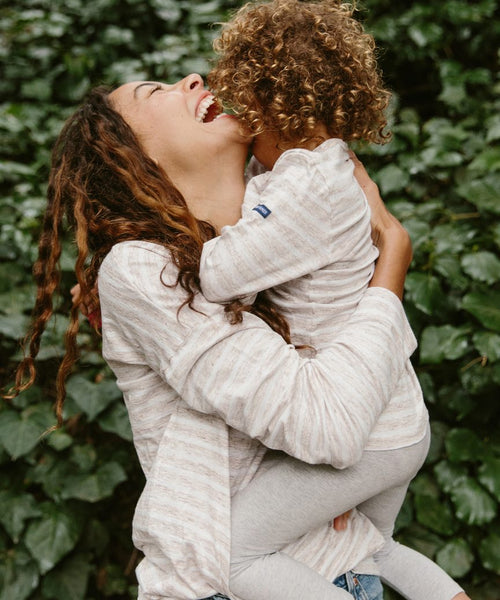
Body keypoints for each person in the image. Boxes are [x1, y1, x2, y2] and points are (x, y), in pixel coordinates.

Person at [197, 3, 469, 600]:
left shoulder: (304, 190)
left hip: (365, 435)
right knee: (372, 546)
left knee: (233, 554)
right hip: (396, 418)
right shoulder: (331, 167)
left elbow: (218, 276)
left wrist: (204, 205)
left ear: (263, 100)